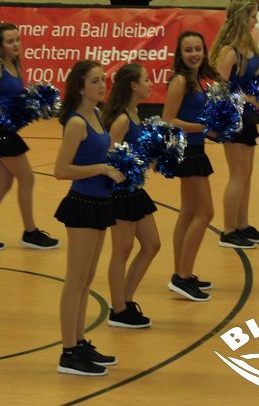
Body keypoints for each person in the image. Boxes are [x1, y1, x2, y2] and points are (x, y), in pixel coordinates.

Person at [54, 60, 124, 376]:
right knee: (75, 280)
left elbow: (101, 155)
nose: (101, 85)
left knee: (86, 279)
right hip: (82, 204)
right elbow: (61, 170)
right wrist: (101, 169)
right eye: (95, 81)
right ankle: (68, 352)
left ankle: (80, 342)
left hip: (100, 203)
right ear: (81, 87)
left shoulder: (96, 114)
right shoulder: (76, 123)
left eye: (103, 80)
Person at [0, 22, 59, 250]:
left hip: (4, 130)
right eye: (10, 41)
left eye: (17, 39)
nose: (16, 44)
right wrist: (0, 110)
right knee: (27, 178)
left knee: (3, 183)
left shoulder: (13, 64)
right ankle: (30, 233)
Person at [209, 0, 259, 249]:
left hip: (247, 117)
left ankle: (243, 225)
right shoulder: (229, 52)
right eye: (253, 16)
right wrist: (246, 98)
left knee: (246, 174)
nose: (256, 21)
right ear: (242, 18)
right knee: (237, 175)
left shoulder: (249, 45)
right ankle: (228, 231)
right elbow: (219, 90)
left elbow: (255, 72)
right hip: (232, 118)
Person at [100, 63, 160, 328]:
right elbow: (109, 157)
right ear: (133, 85)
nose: (150, 83)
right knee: (122, 250)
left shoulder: (136, 114)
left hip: (134, 189)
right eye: (146, 79)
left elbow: (138, 154)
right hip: (120, 192)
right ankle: (118, 310)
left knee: (152, 244)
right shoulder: (122, 119)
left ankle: (124, 300)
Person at [161, 32, 220, 302]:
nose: (194, 54)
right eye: (188, 50)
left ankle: (181, 272)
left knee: (188, 213)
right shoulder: (180, 80)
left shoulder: (197, 79)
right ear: (180, 54)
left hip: (196, 149)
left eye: (198, 48)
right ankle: (182, 277)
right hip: (188, 152)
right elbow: (168, 120)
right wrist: (204, 128)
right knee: (205, 213)